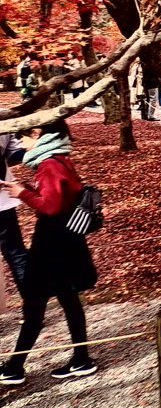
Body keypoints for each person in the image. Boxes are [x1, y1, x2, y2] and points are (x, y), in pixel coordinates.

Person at [0, 120, 98, 386]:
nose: (20, 144)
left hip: (51, 243)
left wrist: (23, 194)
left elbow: (51, 206)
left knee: (34, 302)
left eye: (23, 137)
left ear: (37, 133)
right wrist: (26, 191)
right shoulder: (59, 158)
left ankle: (14, 367)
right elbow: (58, 198)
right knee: (69, 300)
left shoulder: (49, 164)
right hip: (66, 240)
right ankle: (81, 358)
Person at [0, 124, 28, 296]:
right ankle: (33, 310)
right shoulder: (3, 116)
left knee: (16, 253)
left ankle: (33, 309)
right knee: (16, 253)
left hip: (3, 198)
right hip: (3, 197)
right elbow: (17, 153)